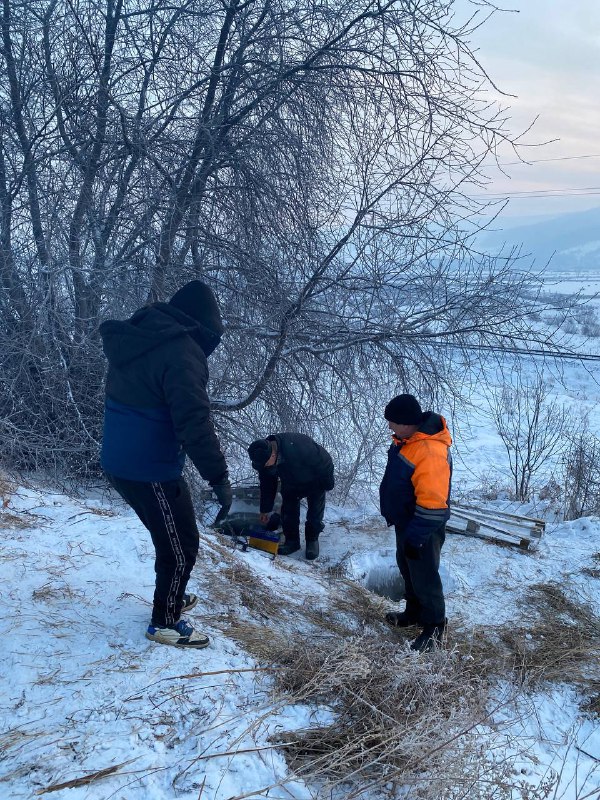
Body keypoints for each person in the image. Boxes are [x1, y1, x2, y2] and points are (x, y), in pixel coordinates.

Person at [100, 280, 232, 649]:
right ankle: (165, 621)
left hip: (119, 460)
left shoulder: (143, 333)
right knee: (181, 544)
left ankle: (169, 594)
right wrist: (219, 477)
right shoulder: (181, 352)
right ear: (203, 326)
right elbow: (194, 422)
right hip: (150, 467)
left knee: (170, 537)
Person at [379, 394, 452, 653]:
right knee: (408, 568)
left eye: (393, 422)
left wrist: (416, 536)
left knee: (425, 575)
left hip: (423, 524)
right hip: (407, 521)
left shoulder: (430, 450)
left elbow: (433, 503)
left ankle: (434, 628)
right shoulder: (408, 441)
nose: (390, 427)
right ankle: (413, 612)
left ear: (408, 423)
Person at [247, 433, 334, 560]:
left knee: (315, 513)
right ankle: (292, 542)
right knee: (288, 512)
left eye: (265, 464)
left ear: (273, 454)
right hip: (291, 483)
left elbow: (325, 460)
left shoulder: (299, 446)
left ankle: (312, 540)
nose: (264, 467)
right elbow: (267, 485)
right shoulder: (262, 459)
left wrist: (327, 483)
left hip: (315, 480)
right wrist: (265, 509)